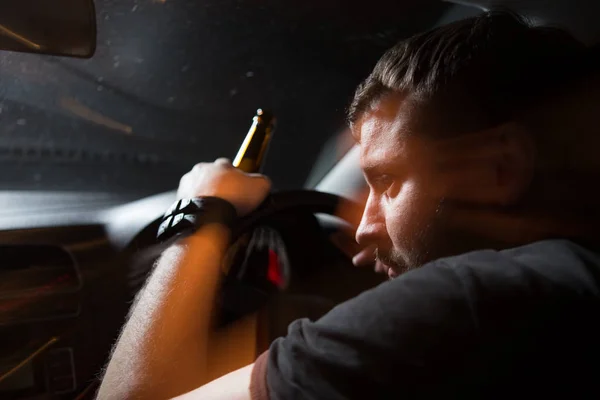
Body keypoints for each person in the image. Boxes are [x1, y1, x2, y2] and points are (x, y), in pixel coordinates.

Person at [98, 11, 600, 399]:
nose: (362, 230)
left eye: (387, 182)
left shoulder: (465, 306)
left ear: (498, 170)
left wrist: (201, 214)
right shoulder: (566, 282)